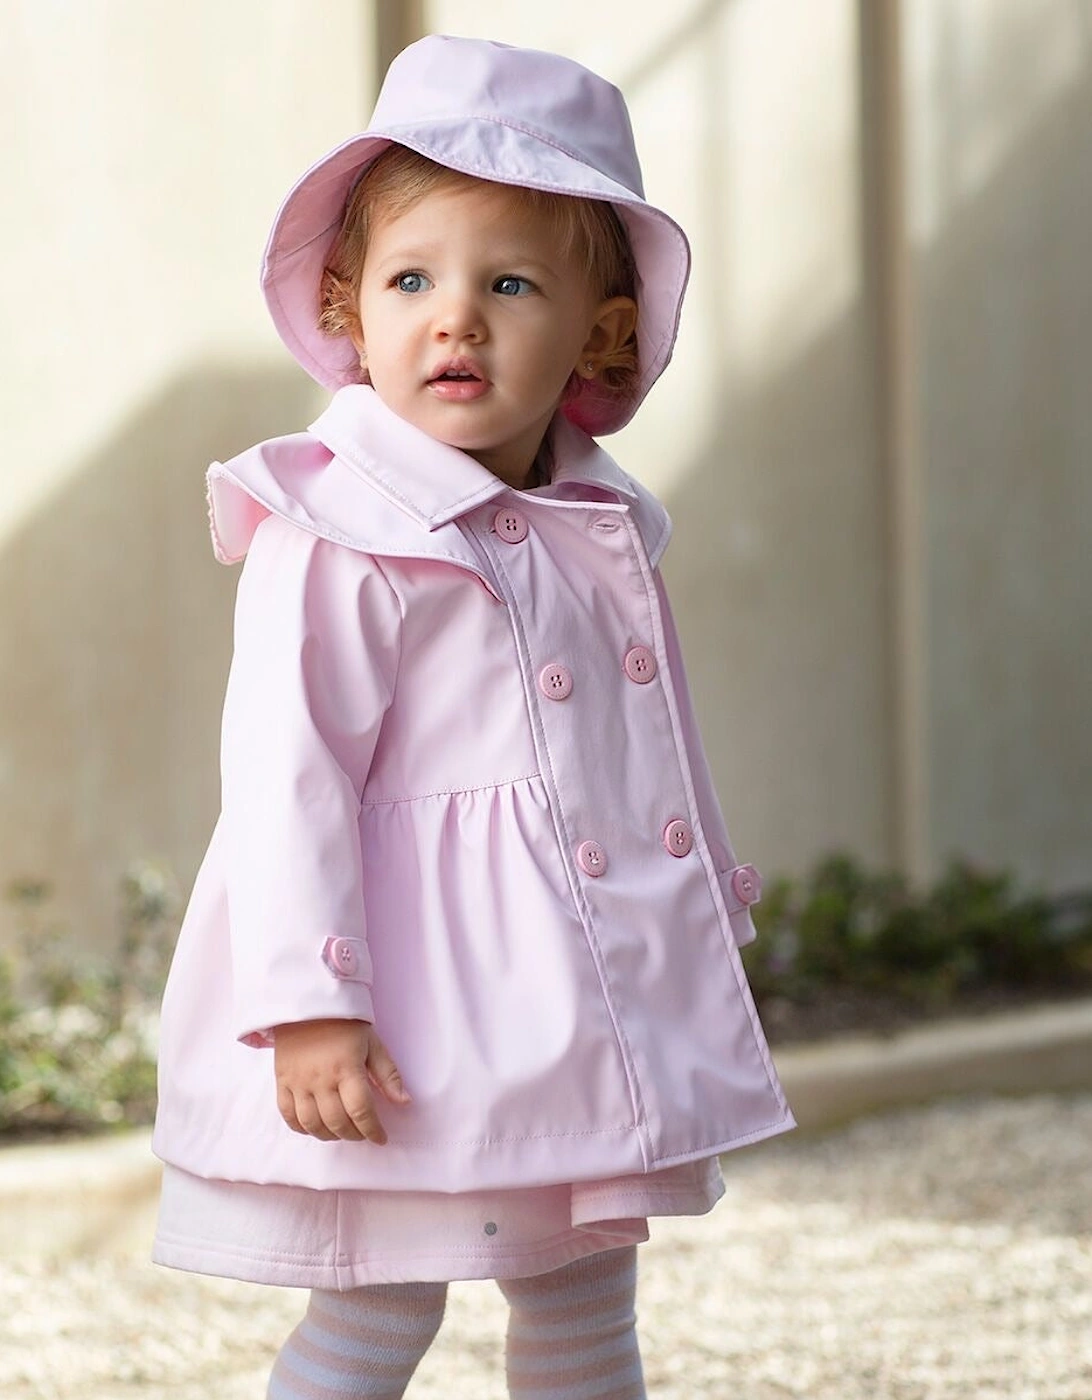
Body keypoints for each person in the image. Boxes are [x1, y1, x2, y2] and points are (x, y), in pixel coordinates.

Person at [151, 34, 794, 1400]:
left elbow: (644, 747)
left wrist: (698, 920)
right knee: (379, 1316)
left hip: (556, 995)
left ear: (602, 330)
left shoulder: (594, 521)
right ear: (349, 303)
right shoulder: (336, 526)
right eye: (411, 281)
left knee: (580, 1306)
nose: (456, 319)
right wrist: (308, 1001)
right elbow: (285, 779)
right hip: (399, 1007)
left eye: (509, 283)